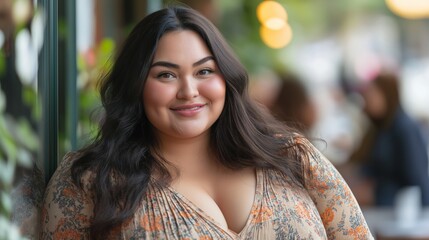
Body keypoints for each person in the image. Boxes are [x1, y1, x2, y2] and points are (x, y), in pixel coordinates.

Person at [40, 6, 373, 239]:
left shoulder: (292, 157)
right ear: (136, 84)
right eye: (166, 74)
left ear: (225, 78)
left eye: (204, 71)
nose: (189, 91)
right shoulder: (88, 181)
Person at [349, 72, 429, 206]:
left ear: (387, 95)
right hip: (384, 207)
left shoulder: (404, 128)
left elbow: (414, 178)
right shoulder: (380, 128)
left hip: (404, 210)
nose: (368, 100)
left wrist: (377, 193)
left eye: (372, 95)